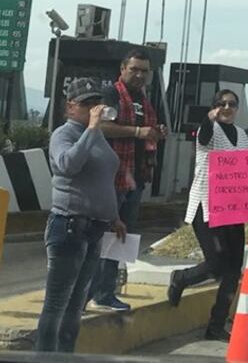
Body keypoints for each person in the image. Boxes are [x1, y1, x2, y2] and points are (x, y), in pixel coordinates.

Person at [36, 78, 122, 353]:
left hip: (95, 229)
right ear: (71, 107)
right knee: (56, 304)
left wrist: (114, 216)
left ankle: (65, 356)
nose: (93, 108)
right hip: (69, 226)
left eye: (97, 103)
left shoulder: (95, 136)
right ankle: (44, 357)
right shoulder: (64, 134)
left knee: (76, 304)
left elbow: (103, 178)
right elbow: (67, 165)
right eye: (86, 104)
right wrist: (92, 129)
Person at [167, 89, 248, 342]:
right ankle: (182, 278)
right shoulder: (207, 130)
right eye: (222, 104)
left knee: (233, 269)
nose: (227, 108)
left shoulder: (241, 134)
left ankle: (217, 325)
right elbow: (205, 136)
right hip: (207, 206)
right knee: (216, 262)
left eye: (232, 104)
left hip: (233, 208)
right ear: (214, 107)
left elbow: (246, 167)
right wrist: (208, 119)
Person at [89, 49, 163, 312]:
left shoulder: (144, 100)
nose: (140, 75)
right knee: (101, 237)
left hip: (136, 177)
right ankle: (88, 294)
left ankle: (105, 293)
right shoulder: (111, 94)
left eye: (144, 71)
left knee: (119, 239)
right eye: (134, 69)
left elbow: (145, 134)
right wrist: (137, 131)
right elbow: (100, 126)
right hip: (112, 178)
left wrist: (155, 133)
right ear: (122, 69)